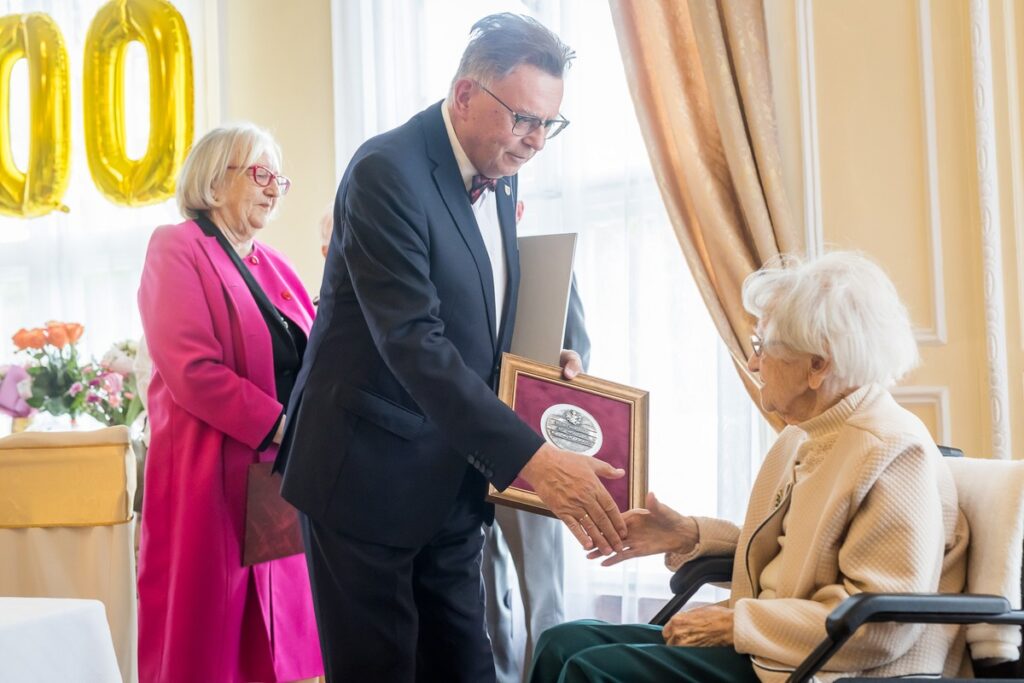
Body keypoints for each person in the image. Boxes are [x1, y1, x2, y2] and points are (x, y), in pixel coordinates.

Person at [275, 13, 627, 682]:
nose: (536, 141)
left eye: (550, 124)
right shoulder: (386, 171)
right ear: (465, 94)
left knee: (469, 666)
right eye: (525, 118)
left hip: (451, 484)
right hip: (365, 479)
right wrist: (532, 457)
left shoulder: (502, 170)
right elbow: (413, 340)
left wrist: (543, 356)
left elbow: (483, 302)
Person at [531, 251, 971, 683]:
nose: (754, 363)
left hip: (824, 668)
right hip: (771, 649)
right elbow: (795, 554)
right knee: (562, 642)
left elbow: (879, 626)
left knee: (592, 671)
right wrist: (690, 534)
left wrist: (735, 625)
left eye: (764, 347)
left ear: (818, 364)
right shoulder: (803, 435)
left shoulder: (893, 451)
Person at [137, 123, 323, 683]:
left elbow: (312, 355)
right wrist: (281, 425)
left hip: (275, 481)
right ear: (216, 183)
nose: (274, 189)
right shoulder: (177, 247)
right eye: (261, 174)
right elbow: (192, 369)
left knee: (280, 638)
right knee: (211, 636)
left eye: (280, 179)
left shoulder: (274, 264)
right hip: (210, 478)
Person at [482, 202, 592, 683]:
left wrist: (564, 372)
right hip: (464, 454)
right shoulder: (457, 263)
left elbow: (579, 354)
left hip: (533, 454)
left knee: (540, 590)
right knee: (481, 592)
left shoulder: (549, 264)